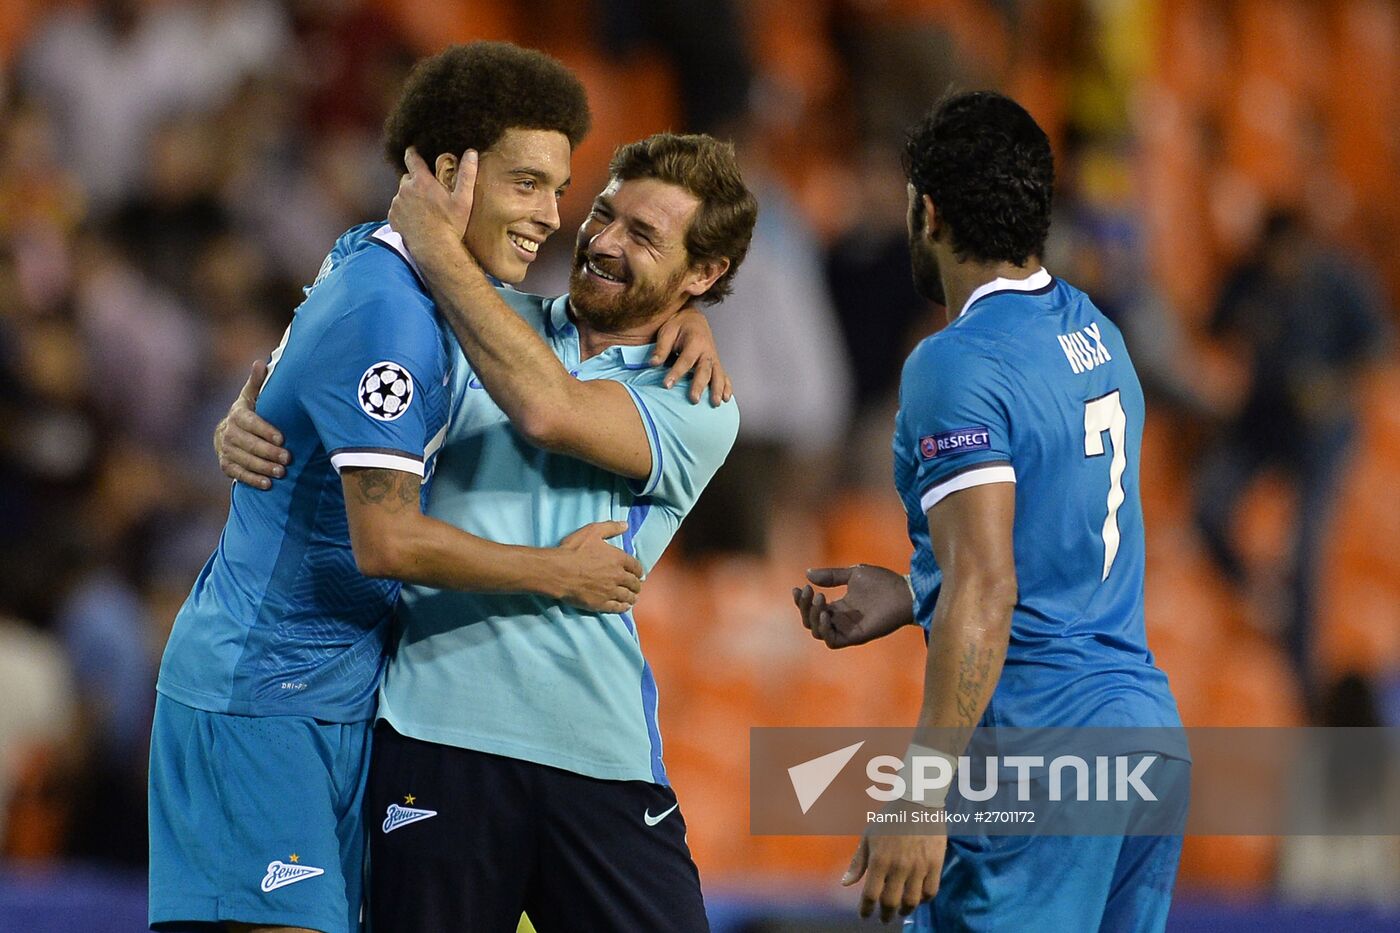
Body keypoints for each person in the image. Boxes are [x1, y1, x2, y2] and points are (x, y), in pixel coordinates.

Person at [150, 42, 727, 933]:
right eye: (532, 185)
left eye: (561, 191)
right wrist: (557, 572)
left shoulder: (473, 316)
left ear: (702, 272)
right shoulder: (408, 306)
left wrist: (681, 316)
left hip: (344, 698)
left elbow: (540, 397)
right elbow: (382, 530)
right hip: (270, 691)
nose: (569, 223)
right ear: (451, 173)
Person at [792, 91, 1186, 929]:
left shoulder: (956, 362)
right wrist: (915, 592)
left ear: (927, 211)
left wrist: (922, 788)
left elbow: (988, 580)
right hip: (1142, 734)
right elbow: (1059, 548)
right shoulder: (1098, 334)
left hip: (1040, 747)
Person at [1194, 209, 1389, 711]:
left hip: (1319, 434)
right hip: (1263, 420)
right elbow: (1212, 329)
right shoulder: (1250, 278)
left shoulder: (1340, 280)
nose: (1281, 263)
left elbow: (1377, 350)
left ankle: (1308, 696)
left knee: (1305, 553)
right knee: (1210, 504)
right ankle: (1257, 591)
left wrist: (1334, 390)